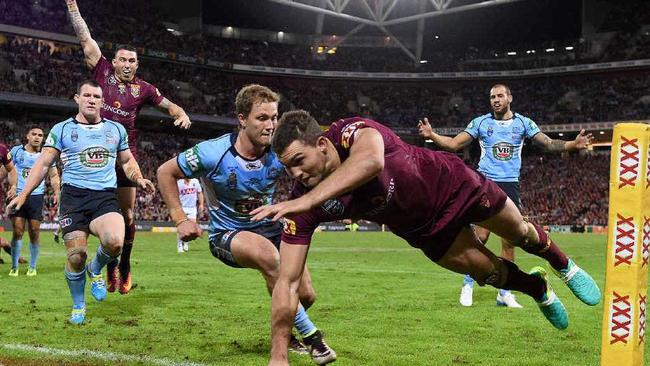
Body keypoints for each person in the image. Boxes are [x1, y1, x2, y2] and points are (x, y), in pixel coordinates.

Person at [250, 111, 601, 365]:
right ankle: (537, 288)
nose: (296, 174)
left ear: (322, 145)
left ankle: (562, 264)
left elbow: (371, 162)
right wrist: (278, 355)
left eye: (299, 160)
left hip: (452, 184)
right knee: (489, 273)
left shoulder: (351, 132)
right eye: (288, 168)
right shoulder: (303, 205)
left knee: (520, 232)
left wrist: (307, 198)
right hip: (424, 230)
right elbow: (288, 282)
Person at [157, 85, 336, 364]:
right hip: (228, 233)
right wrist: (180, 219)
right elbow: (165, 171)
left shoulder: (279, 151)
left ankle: (287, 335)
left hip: (269, 229)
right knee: (270, 258)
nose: (270, 125)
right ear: (242, 119)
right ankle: (313, 338)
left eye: (274, 117)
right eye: (262, 118)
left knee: (306, 295)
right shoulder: (213, 153)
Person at [417, 83, 593, 308]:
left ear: (510, 97)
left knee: (510, 242)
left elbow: (548, 144)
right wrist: (432, 134)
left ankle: (504, 293)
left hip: (510, 186)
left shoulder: (523, 123)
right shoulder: (480, 123)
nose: (495, 100)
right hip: (485, 183)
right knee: (480, 237)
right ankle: (468, 284)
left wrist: (572, 144)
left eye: (500, 95)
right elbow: (453, 145)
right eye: (492, 97)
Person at [65, 0, 192, 294]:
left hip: (125, 155)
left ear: (137, 65)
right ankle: (105, 263)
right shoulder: (102, 71)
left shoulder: (144, 89)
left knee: (129, 216)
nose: (126, 64)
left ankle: (123, 264)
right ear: (115, 61)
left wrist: (180, 113)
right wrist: (73, 8)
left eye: (132, 61)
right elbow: (85, 39)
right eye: (122, 59)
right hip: (95, 154)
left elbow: (169, 105)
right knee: (98, 212)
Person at [7, 80, 155, 324]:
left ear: (102, 102)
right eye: (86, 95)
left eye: (96, 96)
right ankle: (78, 304)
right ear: (77, 98)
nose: (91, 100)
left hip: (104, 196)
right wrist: (23, 196)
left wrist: (138, 178)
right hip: (74, 198)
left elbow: (127, 161)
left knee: (115, 242)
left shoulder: (116, 130)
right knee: (76, 256)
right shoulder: (62, 129)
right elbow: (43, 164)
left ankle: (95, 269)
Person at [7, 127, 61, 276]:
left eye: (40, 135)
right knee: (17, 230)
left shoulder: (47, 154)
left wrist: (57, 192)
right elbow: (6, 168)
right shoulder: (17, 151)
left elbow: (54, 175)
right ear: (27, 136)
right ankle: (14, 266)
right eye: (34, 134)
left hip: (36, 196)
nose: (37, 137)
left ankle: (32, 266)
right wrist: (10, 186)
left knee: (34, 231)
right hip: (18, 195)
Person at [176, 178, 204, 253]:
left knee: (191, 228)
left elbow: (199, 193)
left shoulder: (195, 181)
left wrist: (201, 204)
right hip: (182, 208)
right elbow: (175, 196)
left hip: (192, 208)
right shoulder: (179, 183)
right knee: (182, 227)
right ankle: (179, 246)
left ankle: (186, 243)